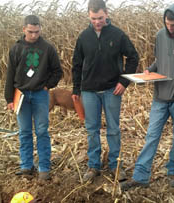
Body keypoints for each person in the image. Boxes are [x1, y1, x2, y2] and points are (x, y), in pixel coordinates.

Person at [121, 3, 174, 190]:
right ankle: (141, 176)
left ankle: (173, 172)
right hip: (159, 96)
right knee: (151, 136)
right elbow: (160, 59)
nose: (170, 28)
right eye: (167, 24)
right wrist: (150, 70)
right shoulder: (159, 35)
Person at [71, 0, 139, 182]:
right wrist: (76, 88)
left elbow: (133, 57)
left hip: (112, 90)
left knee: (113, 129)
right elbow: (76, 64)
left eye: (100, 18)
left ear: (106, 13)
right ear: (88, 15)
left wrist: (124, 81)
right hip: (89, 91)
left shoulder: (117, 35)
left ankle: (116, 165)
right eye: (93, 18)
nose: (97, 22)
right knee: (92, 129)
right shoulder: (83, 37)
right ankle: (94, 166)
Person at [4, 15, 63, 180]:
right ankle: (26, 166)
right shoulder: (16, 49)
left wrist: (47, 85)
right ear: (24, 29)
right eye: (30, 32)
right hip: (21, 95)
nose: (34, 35)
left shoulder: (47, 49)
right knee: (24, 132)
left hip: (40, 95)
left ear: (40, 29)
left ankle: (44, 168)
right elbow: (10, 74)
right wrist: (9, 98)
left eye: (37, 32)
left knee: (42, 131)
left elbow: (57, 71)